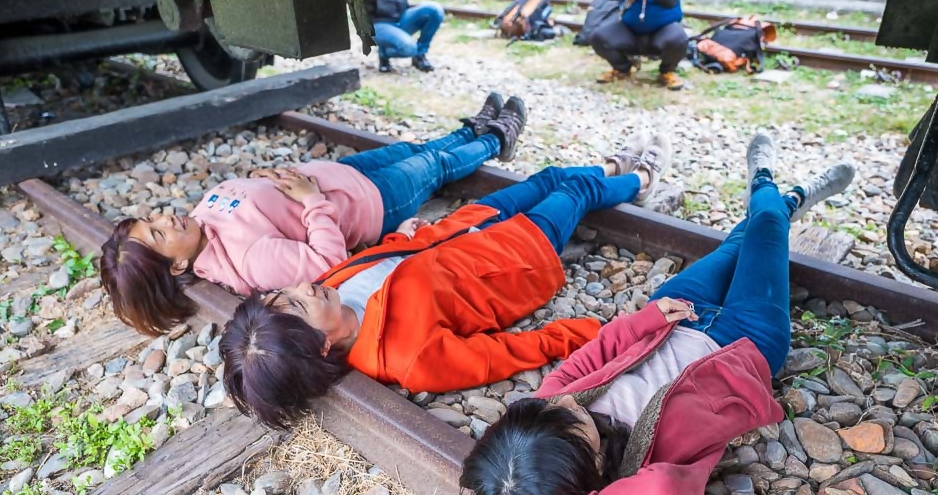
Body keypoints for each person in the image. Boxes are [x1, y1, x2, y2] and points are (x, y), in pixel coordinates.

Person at [460, 133, 857, 495]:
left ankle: (771, 199)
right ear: (593, 464)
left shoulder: (547, 417)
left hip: (677, 312)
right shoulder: (636, 476)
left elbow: (587, 359)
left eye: (547, 407)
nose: (564, 401)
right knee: (768, 226)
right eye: (572, 419)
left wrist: (643, 322)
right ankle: (775, 189)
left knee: (741, 242)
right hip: (747, 341)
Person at [219, 132, 674, 430]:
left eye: (284, 293)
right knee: (574, 192)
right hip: (519, 256)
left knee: (550, 178)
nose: (302, 287)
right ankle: (640, 177)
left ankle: (614, 169)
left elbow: (386, 261)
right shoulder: (409, 359)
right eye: (298, 304)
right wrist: (599, 333)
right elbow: (510, 351)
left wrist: (406, 235)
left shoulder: (328, 291)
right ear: (320, 347)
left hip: (469, 223)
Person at [100, 93, 524, 336]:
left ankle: (472, 129)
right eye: (157, 235)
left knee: (419, 151)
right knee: (438, 167)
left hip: (343, 176)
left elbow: (254, 203)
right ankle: (496, 140)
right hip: (371, 202)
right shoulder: (250, 259)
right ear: (176, 264)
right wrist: (311, 201)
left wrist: (264, 181)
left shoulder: (199, 224)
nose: (165, 219)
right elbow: (329, 264)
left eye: (151, 220)